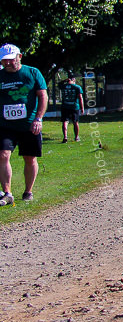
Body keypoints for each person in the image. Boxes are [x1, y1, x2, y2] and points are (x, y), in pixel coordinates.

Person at [0, 44, 48, 206]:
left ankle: (28, 191)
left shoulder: (32, 73)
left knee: (30, 158)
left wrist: (38, 119)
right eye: (4, 61)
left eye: (10, 60)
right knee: (3, 155)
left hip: (29, 125)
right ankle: (7, 193)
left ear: (19, 57)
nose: (7, 63)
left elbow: (43, 96)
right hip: (5, 126)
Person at [59, 75, 85, 143]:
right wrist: (82, 108)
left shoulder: (63, 86)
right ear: (73, 79)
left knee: (65, 121)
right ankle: (76, 137)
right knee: (75, 122)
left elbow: (59, 84)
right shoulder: (77, 87)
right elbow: (80, 98)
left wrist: (64, 81)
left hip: (65, 106)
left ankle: (65, 137)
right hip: (74, 107)